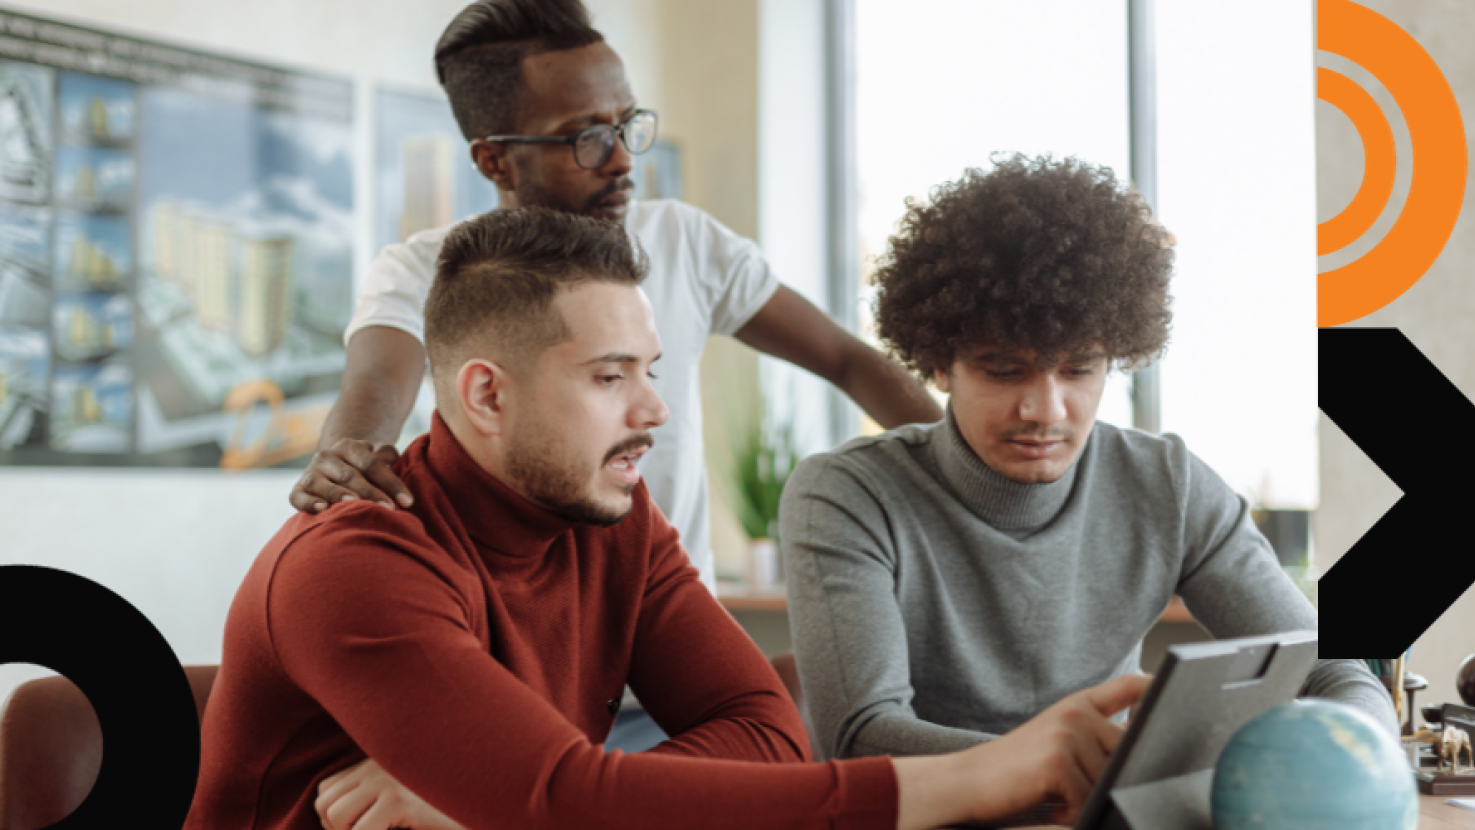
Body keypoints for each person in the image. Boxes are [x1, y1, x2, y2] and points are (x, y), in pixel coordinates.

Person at [187, 207, 1150, 830]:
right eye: (610, 378)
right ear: (485, 394)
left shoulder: (614, 516)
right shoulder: (355, 562)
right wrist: (989, 776)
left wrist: (507, 807)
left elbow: (766, 728)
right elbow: (566, 799)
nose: (653, 412)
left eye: (651, 370)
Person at [289, 0, 941, 596]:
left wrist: (971, 476)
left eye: (627, 124)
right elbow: (376, 380)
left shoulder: (687, 242)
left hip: (675, 636)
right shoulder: (423, 269)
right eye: (586, 136)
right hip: (520, 642)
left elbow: (850, 361)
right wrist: (350, 453)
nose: (623, 159)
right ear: (494, 162)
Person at [779, 155, 1396, 767]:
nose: (1045, 409)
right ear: (940, 364)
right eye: (1003, 370)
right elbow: (863, 736)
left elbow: (1331, 671)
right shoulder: (848, 494)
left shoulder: (1168, 486)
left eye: (1080, 369)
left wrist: (1355, 752)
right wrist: (1084, 767)